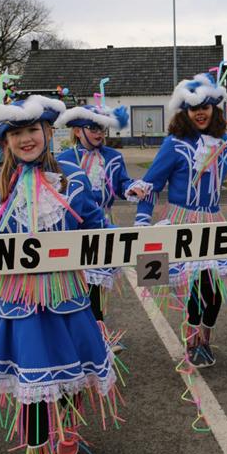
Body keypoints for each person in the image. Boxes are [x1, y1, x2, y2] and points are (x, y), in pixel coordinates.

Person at [0, 92, 122, 454]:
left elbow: (95, 225)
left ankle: (68, 429)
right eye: (16, 133)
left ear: (47, 132)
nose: (26, 139)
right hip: (20, 304)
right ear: (6, 141)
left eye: (33, 130)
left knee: (72, 373)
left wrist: (140, 241)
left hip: (69, 298)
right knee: (34, 385)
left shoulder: (73, 180)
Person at [134, 72, 227, 367]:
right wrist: (142, 222)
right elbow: (150, 185)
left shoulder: (225, 144)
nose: (200, 113)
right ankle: (192, 340)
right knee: (191, 286)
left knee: (213, 290)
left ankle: (205, 338)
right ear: (185, 111)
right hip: (180, 222)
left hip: (212, 222)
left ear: (214, 109)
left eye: (206, 107)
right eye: (194, 108)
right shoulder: (174, 144)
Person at [54, 102, 147, 349]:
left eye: (102, 129)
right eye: (93, 128)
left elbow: (121, 183)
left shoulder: (113, 157)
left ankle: (97, 337)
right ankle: (81, 336)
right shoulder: (63, 159)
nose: (99, 133)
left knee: (96, 284)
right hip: (74, 227)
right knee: (77, 283)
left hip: (103, 224)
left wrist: (132, 188)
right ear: (77, 131)